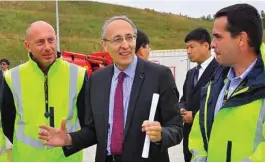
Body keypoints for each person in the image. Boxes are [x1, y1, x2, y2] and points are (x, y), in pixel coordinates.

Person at [38, 15, 183, 162]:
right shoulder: (96, 80)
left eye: (130, 38)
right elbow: (94, 130)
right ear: (104, 44)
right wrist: (69, 139)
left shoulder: (159, 75)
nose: (125, 45)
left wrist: (161, 135)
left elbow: (176, 128)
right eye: (117, 39)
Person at [0, 21, 87, 161]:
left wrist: (69, 140)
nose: (48, 47)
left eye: (51, 40)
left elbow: (86, 122)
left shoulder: (78, 74)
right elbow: (7, 123)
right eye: (40, 42)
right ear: (27, 46)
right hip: (27, 158)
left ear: (56, 39)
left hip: (67, 159)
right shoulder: (11, 77)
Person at [189, 4, 265, 162]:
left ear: (242, 39)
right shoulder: (215, 82)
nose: (212, 44)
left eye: (218, 37)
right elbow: (198, 136)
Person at [180, 28, 218, 162]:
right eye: (186, 47)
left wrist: (195, 115)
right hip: (189, 137)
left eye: (192, 47)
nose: (188, 51)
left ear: (206, 46)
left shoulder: (220, 70)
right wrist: (182, 108)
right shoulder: (191, 73)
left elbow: (219, 104)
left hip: (209, 137)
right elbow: (184, 98)